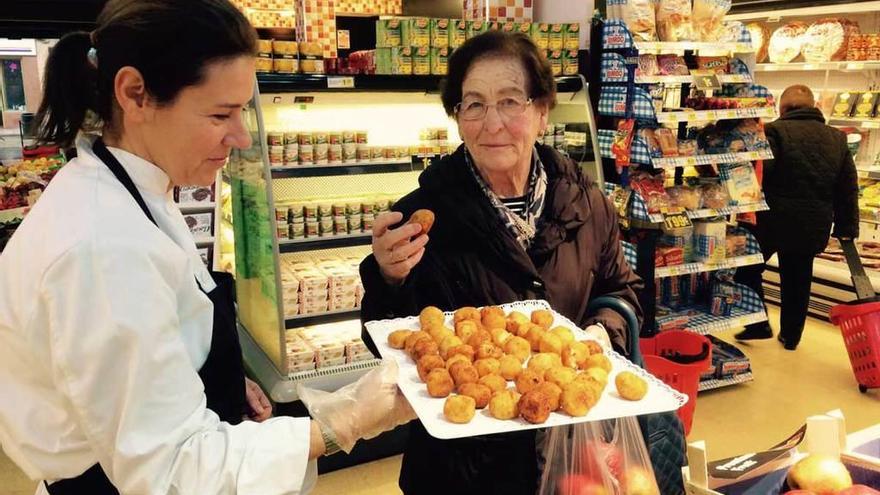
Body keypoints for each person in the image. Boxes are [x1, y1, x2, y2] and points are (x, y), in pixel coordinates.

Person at [0, 1, 411, 494]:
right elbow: (172, 470)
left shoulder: (135, 187)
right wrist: (343, 421)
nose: (240, 137)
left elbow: (147, 344)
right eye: (221, 113)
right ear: (135, 94)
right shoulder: (102, 249)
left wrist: (214, 379)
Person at [359, 31, 644, 495]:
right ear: (457, 118)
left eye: (510, 101)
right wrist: (389, 278)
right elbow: (391, 345)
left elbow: (623, 291)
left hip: (573, 455)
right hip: (462, 470)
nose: (491, 123)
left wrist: (597, 334)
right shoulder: (421, 216)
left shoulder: (587, 202)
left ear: (542, 111)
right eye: (473, 104)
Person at [734, 84, 859, 350]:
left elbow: (762, 173)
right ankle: (791, 337)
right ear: (814, 107)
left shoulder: (774, 131)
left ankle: (758, 322)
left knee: (747, 269)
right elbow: (847, 186)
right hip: (813, 223)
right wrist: (846, 227)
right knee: (798, 280)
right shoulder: (837, 137)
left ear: (784, 108)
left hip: (771, 220)